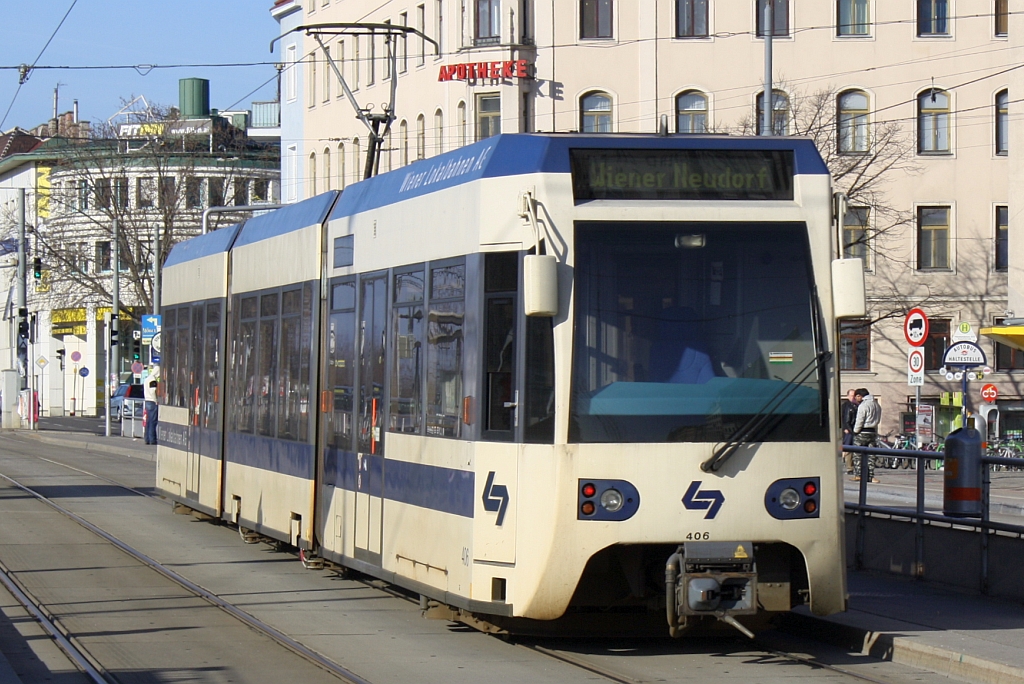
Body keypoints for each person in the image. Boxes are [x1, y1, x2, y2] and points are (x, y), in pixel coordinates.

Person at [852, 387, 881, 483]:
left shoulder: (863, 405)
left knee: (857, 454)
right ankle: (871, 476)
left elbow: (860, 420)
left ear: (860, 396)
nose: (855, 399)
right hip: (872, 431)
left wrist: (855, 431)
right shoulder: (876, 405)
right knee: (871, 455)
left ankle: (859, 475)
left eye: (856, 396)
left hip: (862, 431)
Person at [841, 389, 858, 473]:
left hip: (855, 429)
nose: (853, 397)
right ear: (847, 396)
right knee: (848, 448)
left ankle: (854, 467)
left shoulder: (857, 405)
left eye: (854, 395)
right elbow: (842, 418)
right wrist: (845, 428)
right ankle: (849, 468)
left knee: (854, 448)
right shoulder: (845, 405)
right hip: (848, 429)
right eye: (851, 395)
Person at [144, 369, 159, 445]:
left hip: (147, 400)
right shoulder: (153, 379)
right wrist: (156, 400)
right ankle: (152, 439)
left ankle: (147, 438)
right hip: (152, 401)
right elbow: (153, 391)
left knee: (148, 421)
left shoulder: (147, 379)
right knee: (153, 421)